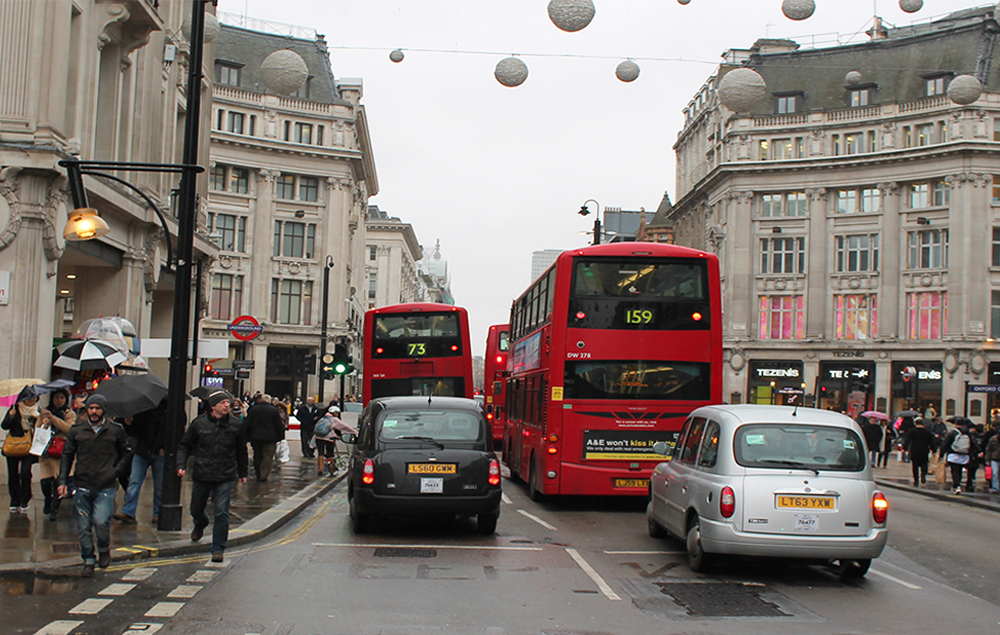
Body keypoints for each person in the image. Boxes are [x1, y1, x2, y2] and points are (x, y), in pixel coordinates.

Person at [57, 394, 132, 577]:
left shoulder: (115, 430)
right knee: (83, 526)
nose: (94, 411)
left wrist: (115, 472)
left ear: (103, 410)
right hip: (82, 483)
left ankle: (104, 548)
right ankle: (88, 560)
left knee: (100, 521)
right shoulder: (77, 431)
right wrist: (62, 481)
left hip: (105, 485)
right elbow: (67, 455)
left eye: (97, 408)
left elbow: (126, 453)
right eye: (91, 408)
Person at [176, 389, 248, 563]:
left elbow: (241, 450)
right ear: (213, 406)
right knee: (196, 508)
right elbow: (185, 445)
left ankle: (218, 548)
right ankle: (200, 523)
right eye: (223, 403)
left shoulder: (235, 425)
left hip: (225, 474)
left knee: (222, 511)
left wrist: (243, 473)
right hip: (202, 473)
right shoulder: (199, 424)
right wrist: (181, 465)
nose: (226, 406)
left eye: (227, 403)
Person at [115, 399, 166, 525]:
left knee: (158, 485)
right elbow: (134, 432)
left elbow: (175, 430)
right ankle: (129, 511)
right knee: (134, 481)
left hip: (158, 450)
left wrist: (166, 447)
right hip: (143, 449)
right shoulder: (141, 410)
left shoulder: (166, 410)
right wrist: (128, 423)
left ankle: (157, 513)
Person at [38, 389, 75, 521]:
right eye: (56, 398)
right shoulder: (45, 412)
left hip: (62, 451)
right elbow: (38, 430)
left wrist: (54, 419)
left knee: (59, 482)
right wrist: (45, 423)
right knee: (45, 483)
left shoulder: (69, 413)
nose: (59, 400)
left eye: (62, 398)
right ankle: (48, 500)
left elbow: (69, 430)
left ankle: (54, 509)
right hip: (47, 452)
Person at [2, 394, 39, 513]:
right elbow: (4, 426)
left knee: (25, 473)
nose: (32, 400)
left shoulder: (37, 411)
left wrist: (39, 420)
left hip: (28, 446)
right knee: (13, 474)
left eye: (34, 398)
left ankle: (25, 499)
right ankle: (14, 500)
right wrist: (10, 417)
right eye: (29, 397)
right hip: (14, 445)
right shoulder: (15, 409)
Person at [241, 394, 285, 482]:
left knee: (257, 455)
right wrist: (280, 436)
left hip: (256, 436)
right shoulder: (273, 410)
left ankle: (257, 472)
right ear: (269, 401)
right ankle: (263, 474)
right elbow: (278, 424)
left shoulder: (253, 409)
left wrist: (246, 435)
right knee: (267, 456)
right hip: (270, 437)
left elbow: (248, 423)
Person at [312, 406, 357, 476]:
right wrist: (354, 432)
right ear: (335, 413)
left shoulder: (323, 418)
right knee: (330, 454)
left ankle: (320, 469)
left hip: (318, 437)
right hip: (329, 438)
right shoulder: (334, 420)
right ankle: (331, 469)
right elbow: (344, 426)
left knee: (320, 453)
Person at [941, 420, 980, 494]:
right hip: (965, 455)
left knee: (955, 470)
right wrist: (977, 452)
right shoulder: (968, 433)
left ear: (956, 424)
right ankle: (962, 483)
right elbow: (973, 443)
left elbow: (945, 443)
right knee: (960, 470)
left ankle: (956, 485)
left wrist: (941, 454)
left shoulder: (952, 433)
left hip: (953, 454)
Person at [902, 418, 936, 487]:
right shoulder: (927, 432)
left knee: (915, 465)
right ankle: (923, 474)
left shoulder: (912, 431)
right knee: (924, 463)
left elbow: (907, 440)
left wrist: (904, 448)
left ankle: (916, 479)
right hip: (924, 449)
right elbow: (931, 442)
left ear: (916, 424)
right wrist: (933, 450)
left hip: (915, 449)